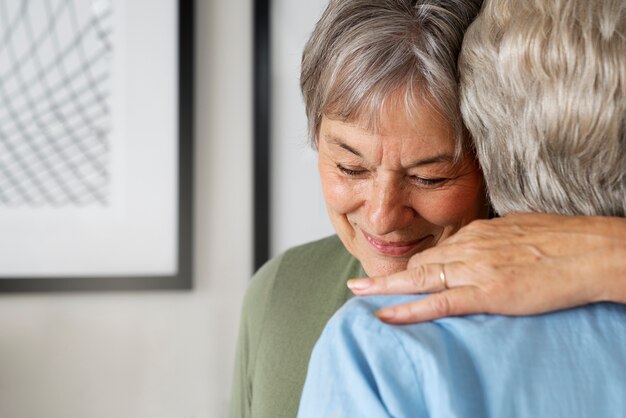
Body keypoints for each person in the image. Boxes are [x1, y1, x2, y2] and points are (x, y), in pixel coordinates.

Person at [297, 0, 626, 416]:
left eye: (430, 178)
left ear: (492, 157)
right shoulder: (279, 291)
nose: (382, 217)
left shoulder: (376, 346)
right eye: (350, 167)